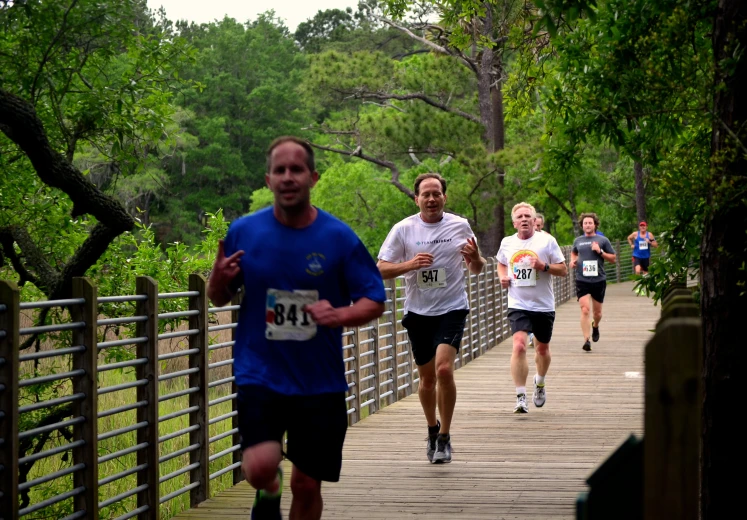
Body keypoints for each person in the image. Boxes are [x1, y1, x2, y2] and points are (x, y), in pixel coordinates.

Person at [207, 136, 386, 520]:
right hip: (259, 372)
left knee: (306, 484)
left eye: (297, 169)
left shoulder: (338, 238)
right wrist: (217, 279)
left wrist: (338, 315)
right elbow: (218, 298)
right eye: (280, 170)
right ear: (269, 179)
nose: (288, 177)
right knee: (259, 467)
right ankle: (268, 492)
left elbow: (374, 300)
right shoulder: (244, 232)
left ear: (313, 177)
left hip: (319, 382)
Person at [377, 173, 486, 464]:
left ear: (444, 198)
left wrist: (475, 257)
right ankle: (431, 429)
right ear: (416, 199)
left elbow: (477, 267)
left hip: (451, 308)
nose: (431, 199)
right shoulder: (403, 229)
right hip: (418, 312)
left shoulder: (460, 225)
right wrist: (410, 264)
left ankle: (445, 437)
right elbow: (380, 269)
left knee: (444, 371)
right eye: (425, 194)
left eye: (436, 193)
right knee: (426, 380)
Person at [497, 203, 567, 413]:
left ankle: (540, 382)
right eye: (520, 216)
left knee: (542, 349)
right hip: (518, 303)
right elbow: (501, 263)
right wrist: (503, 277)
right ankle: (520, 396)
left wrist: (542, 266)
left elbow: (563, 270)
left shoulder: (547, 241)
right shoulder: (507, 242)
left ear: (535, 221)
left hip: (543, 304)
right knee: (519, 345)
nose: (524, 219)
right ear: (514, 222)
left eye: (528, 216)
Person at [570, 213, 616, 352]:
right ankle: (586, 340)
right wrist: (573, 261)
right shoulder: (578, 240)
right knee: (585, 309)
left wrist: (600, 251)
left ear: (595, 224)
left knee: (597, 313)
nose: (587, 225)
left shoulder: (602, 240)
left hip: (598, 279)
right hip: (582, 279)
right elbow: (574, 253)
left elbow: (613, 259)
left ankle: (595, 326)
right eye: (585, 223)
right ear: (582, 225)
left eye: (590, 223)